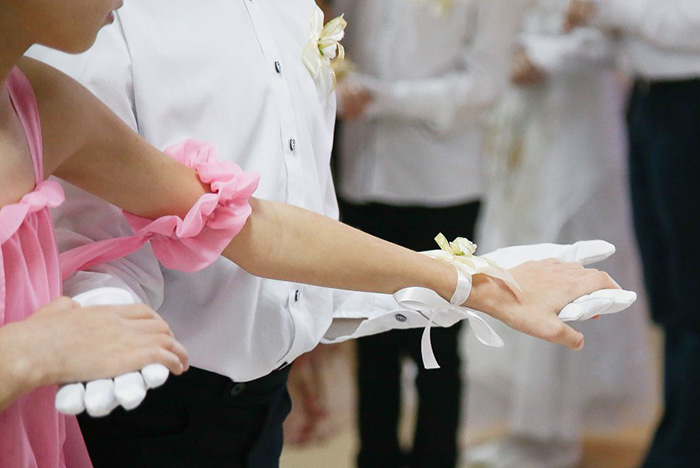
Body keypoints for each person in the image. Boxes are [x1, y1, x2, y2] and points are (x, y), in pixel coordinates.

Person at [26, 1, 625, 467]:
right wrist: (468, 283)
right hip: (144, 396)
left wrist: (465, 286)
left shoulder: (293, 10)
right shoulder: (92, 26)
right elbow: (90, 235)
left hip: (262, 400)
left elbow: (266, 223)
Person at [332, 0, 527, 466]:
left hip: (442, 184)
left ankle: (436, 457)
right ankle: (374, 456)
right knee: (370, 339)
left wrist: (384, 98)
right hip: (362, 175)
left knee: (436, 343)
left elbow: (485, 84)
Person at [462, 1, 655, 467]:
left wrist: (543, 55)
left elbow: (615, 33)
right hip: (524, 111)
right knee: (516, 248)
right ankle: (529, 423)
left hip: (575, 121)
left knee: (568, 248)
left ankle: (556, 430)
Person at [566, 1, 700, 467]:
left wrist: (606, 7)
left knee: (691, 287)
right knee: (667, 290)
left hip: (688, 104)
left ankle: (680, 448)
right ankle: (678, 434)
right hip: (649, 101)